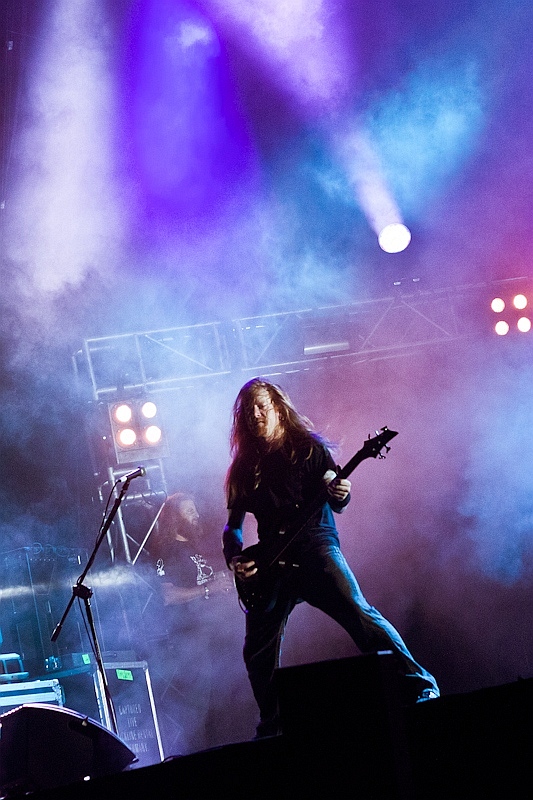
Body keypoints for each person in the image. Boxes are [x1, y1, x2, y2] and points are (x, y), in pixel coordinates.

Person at [222, 377, 439, 738]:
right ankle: (273, 725)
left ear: (278, 408)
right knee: (257, 650)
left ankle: (420, 684)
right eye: (248, 411)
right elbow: (233, 527)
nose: (255, 415)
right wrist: (235, 558)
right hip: (271, 562)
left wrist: (341, 492)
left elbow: (337, 494)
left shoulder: (309, 449)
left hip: (315, 548)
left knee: (359, 614)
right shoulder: (244, 467)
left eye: (261, 406)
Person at [144, 492, 235, 755]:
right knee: (199, 708)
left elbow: (199, 580)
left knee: (223, 704)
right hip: (190, 639)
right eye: (189, 511)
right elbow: (169, 596)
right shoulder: (166, 550)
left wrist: (219, 579)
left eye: (195, 510)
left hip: (213, 633)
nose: (196, 515)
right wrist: (209, 589)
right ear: (175, 518)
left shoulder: (193, 547)